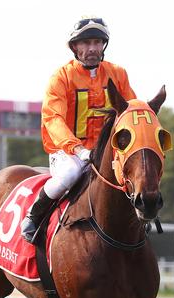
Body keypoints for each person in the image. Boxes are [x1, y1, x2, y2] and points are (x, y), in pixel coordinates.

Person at [20, 17, 136, 241]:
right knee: (70, 174)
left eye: (97, 42)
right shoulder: (61, 77)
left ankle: (140, 218)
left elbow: (129, 111)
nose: (92, 48)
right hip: (68, 153)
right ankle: (34, 216)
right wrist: (78, 149)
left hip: (105, 151)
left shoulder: (118, 74)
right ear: (74, 47)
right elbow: (53, 119)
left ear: (104, 45)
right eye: (85, 43)